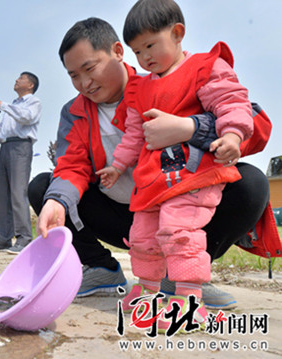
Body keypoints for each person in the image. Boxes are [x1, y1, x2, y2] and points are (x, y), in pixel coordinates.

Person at [29, 17, 279, 310]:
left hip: (182, 207)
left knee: (251, 184)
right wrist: (58, 202)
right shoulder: (74, 112)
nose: (84, 83)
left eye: (90, 68)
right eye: (73, 75)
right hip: (127, 216)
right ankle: (100, 269)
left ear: (119, 52)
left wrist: (190, 127)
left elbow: (253, 123)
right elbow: (71, 165)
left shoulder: (167, 79)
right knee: (46, 189)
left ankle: (181, 276)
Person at [95, 0, 252, 330]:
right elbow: (135, 133)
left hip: (192, 174)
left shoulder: (205, 68)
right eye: (138, 52)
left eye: (151, 45)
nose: (145, 57)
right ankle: (149, 291)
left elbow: (231, 102)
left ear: (178, 33)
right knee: (143, 236)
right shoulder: (141, 87)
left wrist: (234, 135)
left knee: (180, 232)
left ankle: (189, 298)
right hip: (152, 179)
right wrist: (118, 164)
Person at [0, 72, 42, 254]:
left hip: (21, 147)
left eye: (21, 78)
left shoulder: (34, 102)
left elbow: (27, 118)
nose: (16, 80)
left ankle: (24, 238)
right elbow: (0, 130)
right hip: (6, 146)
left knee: (18, 192)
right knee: (3, 195)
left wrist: (3, 105)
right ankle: (2, 238)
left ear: (30, 85)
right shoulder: (13, 105)